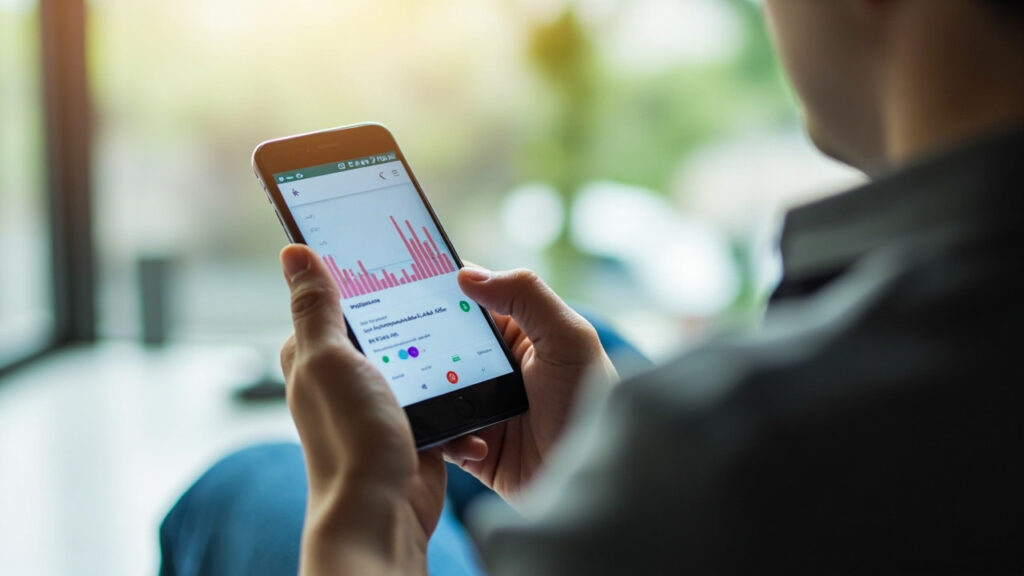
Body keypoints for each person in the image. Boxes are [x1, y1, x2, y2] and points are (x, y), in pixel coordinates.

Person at [161, 0, 1024, 574]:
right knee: (586, 344)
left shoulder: (718, 451)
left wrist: (364, 509)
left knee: (255, 483)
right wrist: (590, 477)